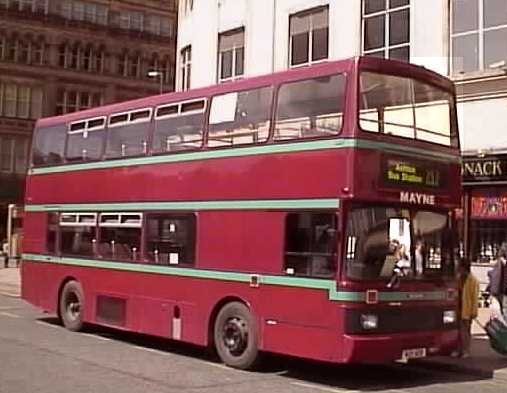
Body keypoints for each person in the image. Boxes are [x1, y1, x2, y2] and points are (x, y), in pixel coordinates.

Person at [454, 258, 479, 358]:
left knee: (465, 331)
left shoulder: (473, 281)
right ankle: (458, 349)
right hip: (458, 307)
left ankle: (465, 350)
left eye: (460, 267)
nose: (459, 269)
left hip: (467, 309)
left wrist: (473, 312)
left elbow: (474, 298)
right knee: (457, 330)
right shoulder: (459, 278)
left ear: (465, 268)